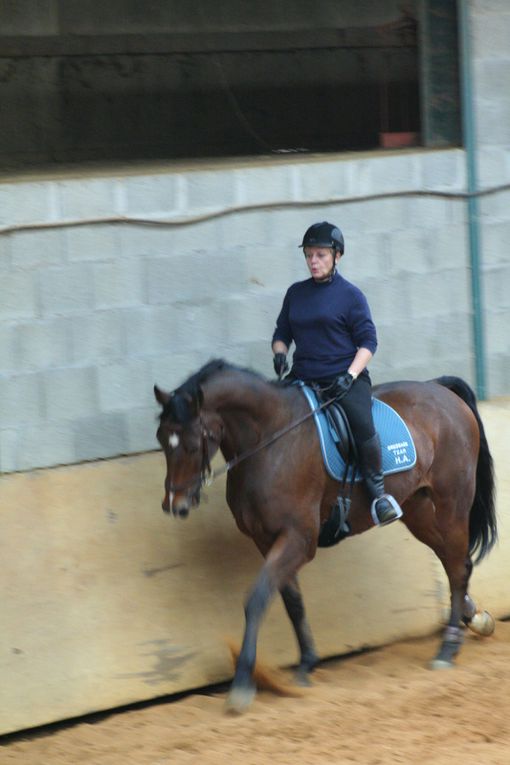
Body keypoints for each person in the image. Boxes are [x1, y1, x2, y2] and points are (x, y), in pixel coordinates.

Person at [271, 220, 402, 526]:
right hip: (304, 378)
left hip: (344, 379)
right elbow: (282, 333)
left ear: (337, 256)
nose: (313, 261)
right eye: (309, 255)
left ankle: (378, 494)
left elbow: (368, 342)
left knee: (361, 424)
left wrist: (351, 374)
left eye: (320, 255)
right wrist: (280, 354)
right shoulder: (296, 293)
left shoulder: (350, 295)